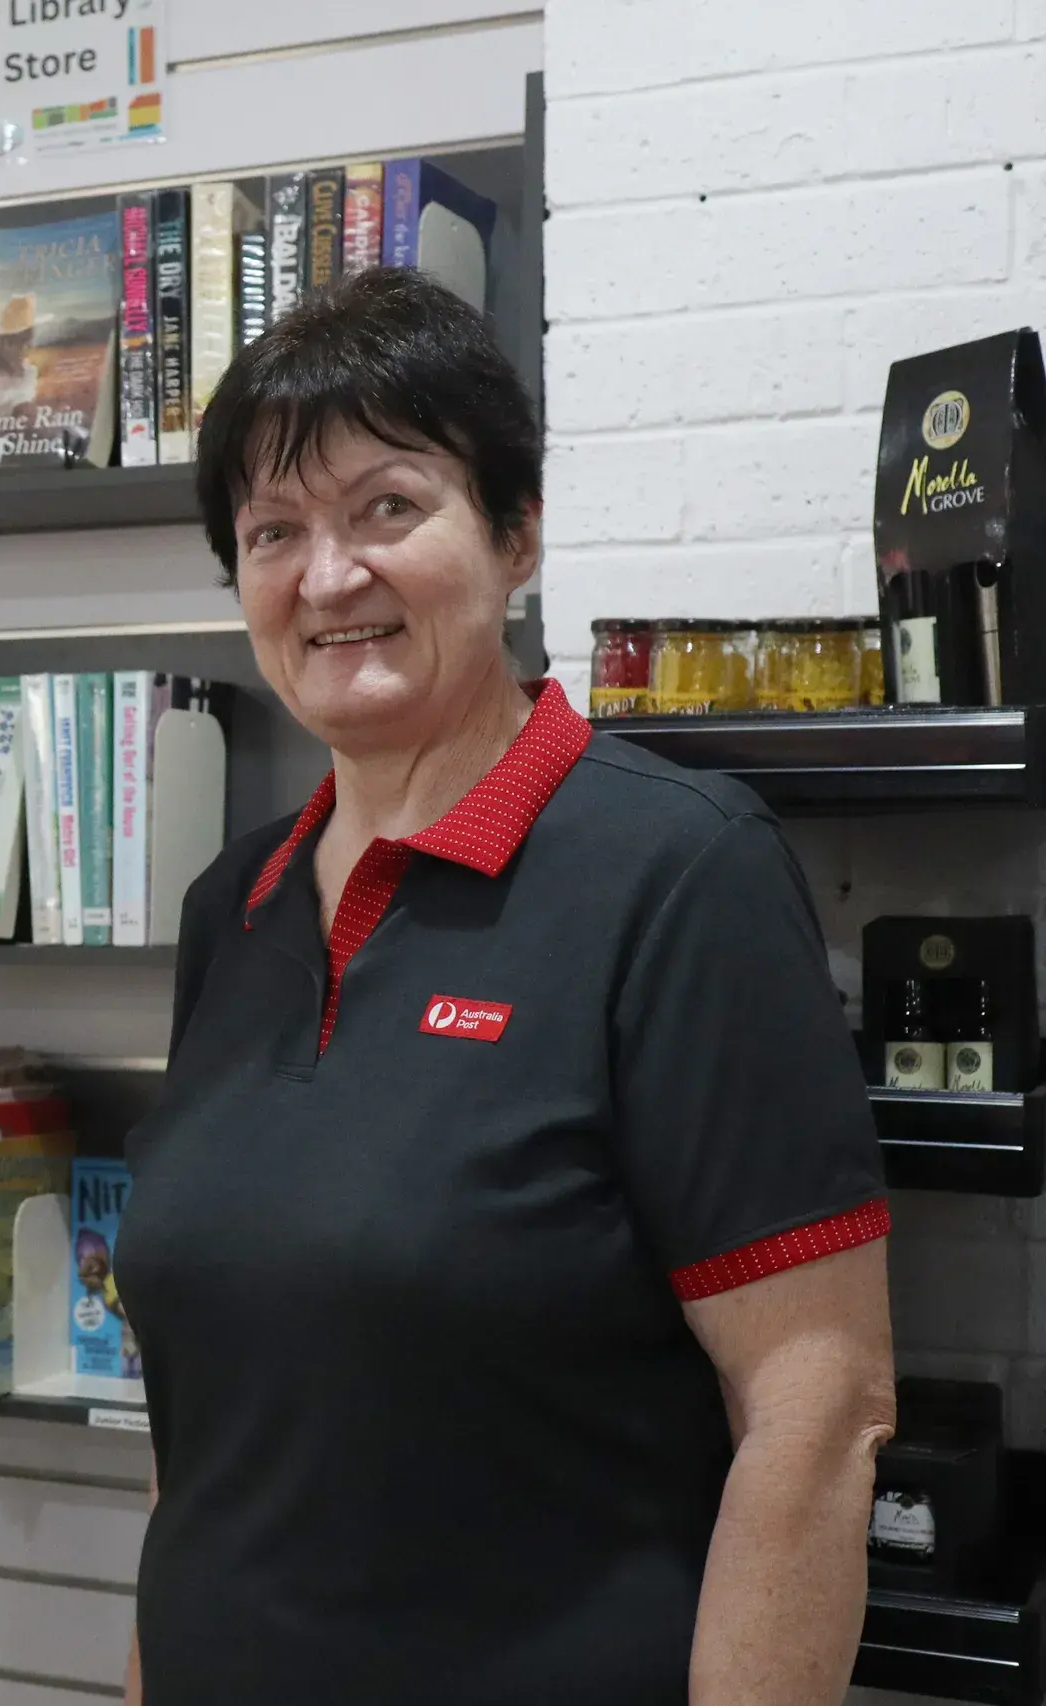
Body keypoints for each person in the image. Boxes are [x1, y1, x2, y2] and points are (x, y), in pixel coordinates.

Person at [118, 268, 894, 1706]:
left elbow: (820, 1406)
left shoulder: (675, 873)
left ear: (517, 533)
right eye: (274, 531)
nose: (327, 576)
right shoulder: (232, 911)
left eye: (388, 509)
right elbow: (203, 1433)